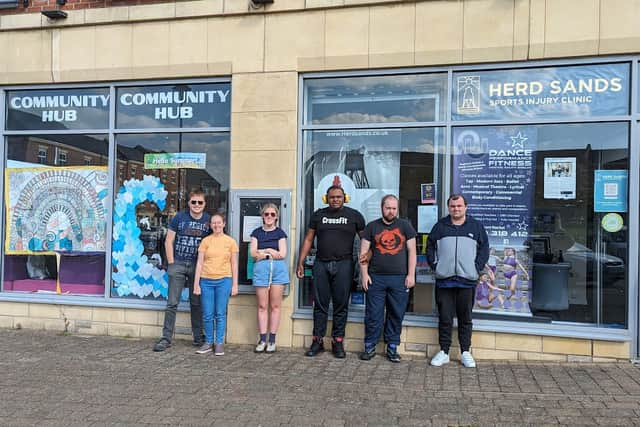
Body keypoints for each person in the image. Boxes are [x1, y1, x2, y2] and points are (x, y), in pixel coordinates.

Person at [296, 185, 365, 358]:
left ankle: (338, 342)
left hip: (345, 265)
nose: (335, 199)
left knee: (341, 306)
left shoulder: (354, 216)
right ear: (327, 198)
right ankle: (317, 341)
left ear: (344, 197)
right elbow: (309, 239)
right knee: (320, 305)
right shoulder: (319, 215)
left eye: (339, 197)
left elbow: (366, 240)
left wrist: (368, 259)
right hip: (321, 264)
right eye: (332, 197)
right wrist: (300, 261)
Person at [426, 194, 489, 368]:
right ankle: (444, 352)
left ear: (466, 207)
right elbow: (430, 247)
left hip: (466, 280)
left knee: (465, 318)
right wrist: (436, 266)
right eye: (453, 206)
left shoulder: (475, 227)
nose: (456, 209)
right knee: (445, 318)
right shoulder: (440, 226)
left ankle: (465, 352)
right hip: (444, 280)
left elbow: (484, 249)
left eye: (459, 206)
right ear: (449, 208)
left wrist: (476, 267)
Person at [358, 195, 416, 363]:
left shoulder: (406, 226)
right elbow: (363, 253)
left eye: (394, 208)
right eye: (388, 208)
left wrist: (411, 275)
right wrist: (364, 275)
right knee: (373, 314)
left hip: (399, 279)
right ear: (382, 208)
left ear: (397, 209)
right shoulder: (372, 227)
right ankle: (369, 347)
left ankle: (392, 347)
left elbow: (412, 251)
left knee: (396, 314)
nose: (391, 211)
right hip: (376, 278)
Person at [153, 190, 211, 352]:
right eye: (194, 202)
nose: (197, 205)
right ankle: (166, 338)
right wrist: (171, 263)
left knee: (196, 303)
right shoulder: (179, 217)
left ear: (204, 204)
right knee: (172, 303)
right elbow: (168, 240)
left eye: (200, 202)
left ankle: (198, 338)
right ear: (189, 203)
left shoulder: (208, 220)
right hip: (178, 263)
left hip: (197, 266)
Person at [193, 213, 239, 356]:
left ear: (224, 224)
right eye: (214, 223)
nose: (216, 225)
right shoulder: (206, 241)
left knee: (220, 313)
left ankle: (219, 343)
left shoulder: (230, 242)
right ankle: (208, 342)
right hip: (206, 281)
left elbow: (234, 264)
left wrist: (235, 284)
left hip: (224, 280)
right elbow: (200, 263)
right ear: (210, 225)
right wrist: (196, 284)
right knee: (207, 314)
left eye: (219, 223)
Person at [250, 203, 288, 353]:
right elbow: (253, 253)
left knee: (276, 306)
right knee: (262, 306)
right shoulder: (256, 233)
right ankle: (262, 339)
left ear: (276, 217)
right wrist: (271, 252)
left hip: (278, 270)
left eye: (272, 214)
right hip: (261, 270)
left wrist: (265, 251)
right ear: (262, 216)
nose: (269, 217)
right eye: (267, 214)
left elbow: (282, 254)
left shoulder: (280, 233)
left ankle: (272, 340)